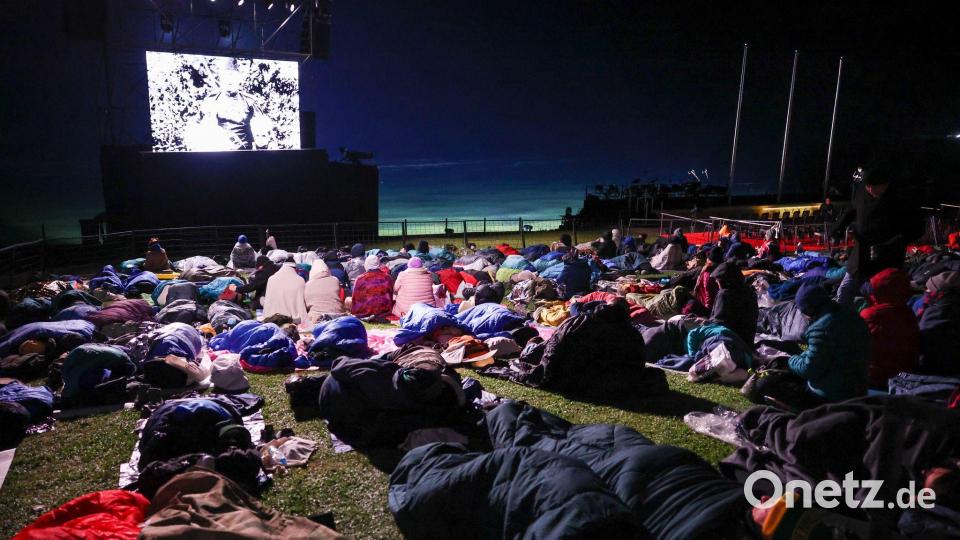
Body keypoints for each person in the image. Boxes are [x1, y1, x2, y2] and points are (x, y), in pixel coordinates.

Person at [830, 160, 924, 307]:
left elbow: (917, 229)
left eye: (872, 187)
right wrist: (838, 227)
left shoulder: (902, 199)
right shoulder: (864, 190)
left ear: (884, 184)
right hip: (861, 254)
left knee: (883, 297)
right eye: (866, 186)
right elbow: (852, 209)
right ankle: (840, 321)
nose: (868, 190)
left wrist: (891, 244)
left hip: (886, 258)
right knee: (845, 291)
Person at [784, 282, 870, 406]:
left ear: (809, 309)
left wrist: (791, 360)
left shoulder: (821, 329)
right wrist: (803, 356)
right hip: (859, 387)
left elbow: (808, 370)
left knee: (774, 386)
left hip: (832, 395)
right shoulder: (852, 316)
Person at [859, 268, 919, 388]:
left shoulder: (871, 314)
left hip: (877, 376)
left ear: (882, 291)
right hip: (906, 374)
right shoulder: (908, 312)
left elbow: (855, 345)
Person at [918, 271, 960, 375]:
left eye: (929, 289)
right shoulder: (952, 307)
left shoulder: (936, 314)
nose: (926, 291)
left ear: (940, 294)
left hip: (935, 372)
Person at [709, 262, 758, 345]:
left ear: (723, 281)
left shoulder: (724, 294)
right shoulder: (749, 292)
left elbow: (719, 322)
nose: (717, 283)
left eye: (717, 281)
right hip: (747, 341)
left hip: (730, 342)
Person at [690, 246, 724, 315]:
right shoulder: (717, 270)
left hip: (707, 307)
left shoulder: (708, 273)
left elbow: (709, 296)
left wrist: (707, 312)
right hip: (710, 306)